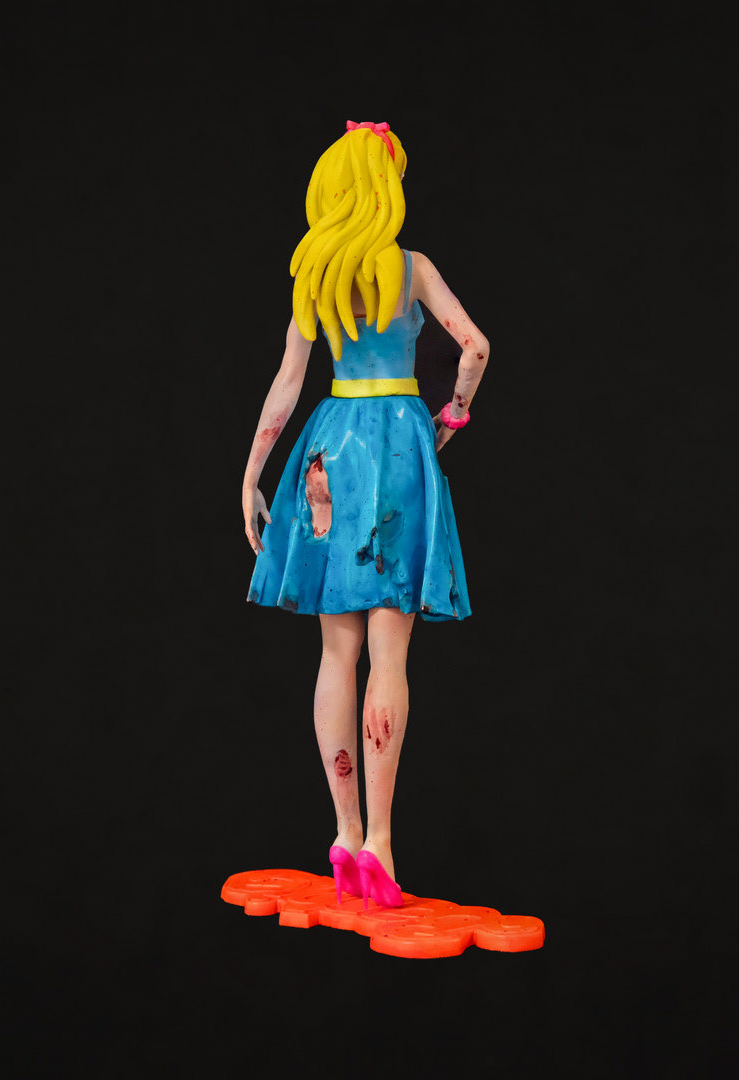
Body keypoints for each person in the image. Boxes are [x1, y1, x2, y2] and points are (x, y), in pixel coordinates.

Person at [240, 122, 490, 909]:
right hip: (398, 447)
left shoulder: (315, 272)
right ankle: (381, 842)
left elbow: (288, 382)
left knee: (334, 656)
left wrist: (251, 474)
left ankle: (344, 835)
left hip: (331, 448)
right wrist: (454, 414)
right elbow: (476, 347)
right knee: (389, 657)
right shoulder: (411, 268)